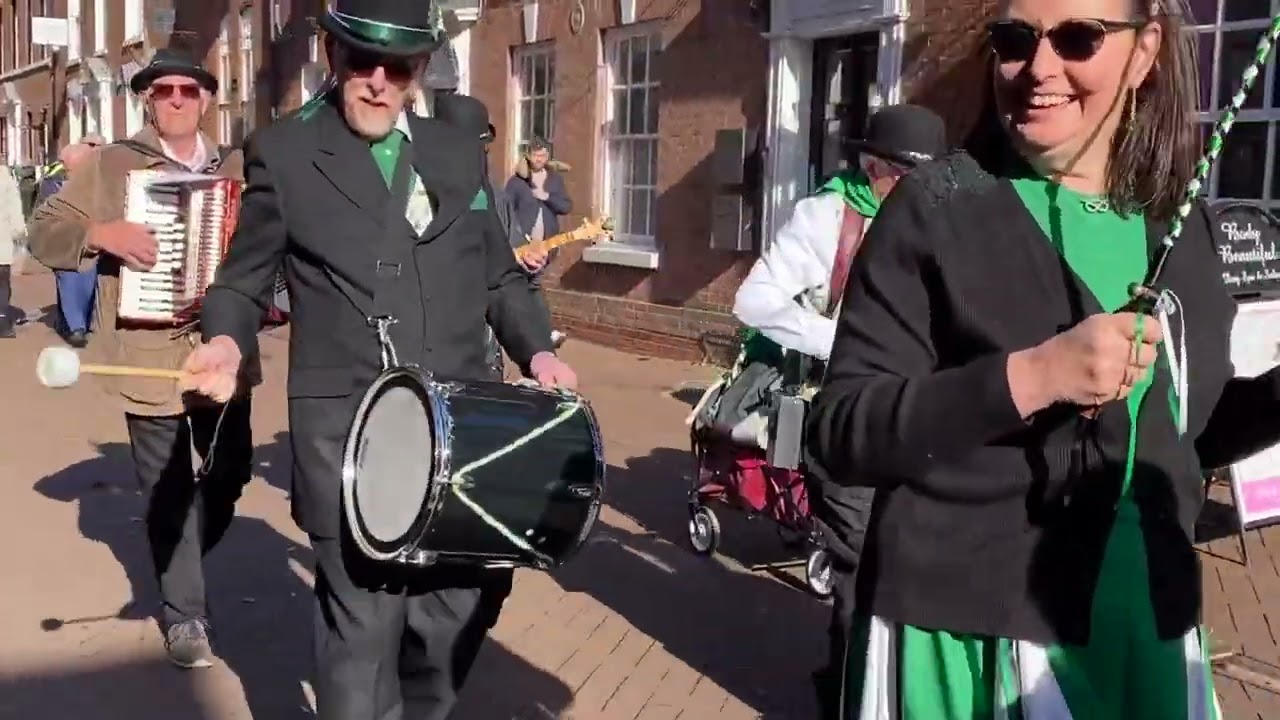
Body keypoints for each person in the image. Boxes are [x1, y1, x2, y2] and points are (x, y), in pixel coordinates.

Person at [807, 0, 1280, 717]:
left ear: (1144, 51)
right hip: (974, 633)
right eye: (1015, 39)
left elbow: (1184, 433)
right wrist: (1034, 377)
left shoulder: (1177, 224)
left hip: (1147, 628)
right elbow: (843, 430)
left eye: (1077, 38)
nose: (1038, 68)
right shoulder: (937, 208)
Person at [181, 2, 577, 717]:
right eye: (360, 60)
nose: (376, 81)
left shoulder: (456, 151)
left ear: (420, 68)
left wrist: (539, 351)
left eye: (397, 67)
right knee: (362, 635)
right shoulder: (285, 153)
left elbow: (499, 276)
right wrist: (226, 342)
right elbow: (241, 283)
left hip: (461, 431)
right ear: (332, 54)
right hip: (347, 432)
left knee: (455, 615)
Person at [27, 47, 252, 670]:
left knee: (231, 471)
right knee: (168, 486)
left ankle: (178, 552)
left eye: (188, 90)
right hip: (146, 353)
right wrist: (99, 235)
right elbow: (43, 230)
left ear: (206, 99)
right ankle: (185, 614)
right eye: (163, 91)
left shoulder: (238, 166)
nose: (176, 99)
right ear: (148, 100)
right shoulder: (112, 165)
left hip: (223, 349)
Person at [733, 102, 946, 719]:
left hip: (925, 423)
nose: (917, 193)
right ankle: (852, 696)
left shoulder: (949, 220)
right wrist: (839, 341)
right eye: (902, 177)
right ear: (873, 169)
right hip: (849, 421)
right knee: (865, 564)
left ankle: (856, 685)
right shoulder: (828, 217)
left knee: (904, 567)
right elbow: (754, 301)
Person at [432, 92, 553, 379]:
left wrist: (530, 262)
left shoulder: (494, 195)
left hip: (484, 351)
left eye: (484, 148)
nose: (481, 156)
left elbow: (508, 272)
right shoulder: (416, 190)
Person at [40, 135, 106, 347]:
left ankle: (73, 322)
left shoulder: (99, 174)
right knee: (68, 279)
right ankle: (77, 326)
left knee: (85, 280)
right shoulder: (55, 177)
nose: (96, 150)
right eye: (93, 146)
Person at [506, 136, 571, 347]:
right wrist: (515, 237)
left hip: (546, 244)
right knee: (531, 284)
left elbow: (566, 207)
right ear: (528, 156)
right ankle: (544, 331)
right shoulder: (517, 182)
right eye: (535, 155)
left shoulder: (554, 181)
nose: (539, 159)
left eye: (543, 155)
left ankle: (532, 330)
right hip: (523, 245)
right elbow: (506, 211)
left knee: (529, 284)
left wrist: (546, 197)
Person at [0, 160, 24, 339]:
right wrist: (18, 232)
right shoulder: (4, 176)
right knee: (2, 284)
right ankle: (2, 323)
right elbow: (14, 208)